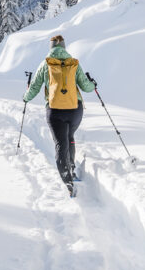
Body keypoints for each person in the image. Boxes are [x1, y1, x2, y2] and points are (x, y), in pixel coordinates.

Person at [23, 34, 96, 195]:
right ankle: (72, 169)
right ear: (64, 47)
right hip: (75, 109)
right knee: (70, 137)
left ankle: (67, 179)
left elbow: (34, 87)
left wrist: (25, 98)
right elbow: (86, 87)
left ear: (51, 48)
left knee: (60, 144)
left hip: (55, 111)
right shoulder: (73, 63)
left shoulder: (46, 64)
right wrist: (93, 84)